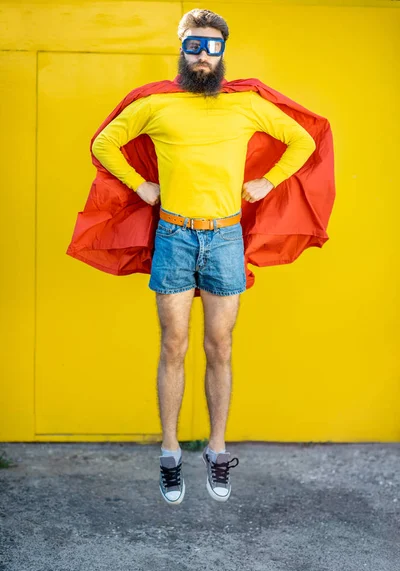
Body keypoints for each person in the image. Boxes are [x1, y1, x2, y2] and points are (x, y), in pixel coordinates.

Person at [90, 8, 317, 506]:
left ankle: (216, 450)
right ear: (182, 49)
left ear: (223, 54)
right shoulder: (157, 105)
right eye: (194, 46)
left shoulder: (248, 105)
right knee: (173, 343)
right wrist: (139, 185)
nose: (203, 56)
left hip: (225, 238)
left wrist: (268, 181)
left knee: (220, 345)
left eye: (212, 47)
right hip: (174, 235)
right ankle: (170, 454)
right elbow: (104, 142)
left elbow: (303, 139)